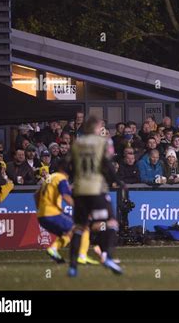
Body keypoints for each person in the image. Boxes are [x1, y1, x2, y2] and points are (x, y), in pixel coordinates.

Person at [69, 115, 124, 277]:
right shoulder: (103, 142)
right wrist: (117, 181)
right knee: (111, 223)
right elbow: (107, 164)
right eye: (101, 126)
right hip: (96, 189)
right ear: (96, 127)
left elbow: (69, 166)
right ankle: (107, 255)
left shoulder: (77, 144)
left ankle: (72, 266)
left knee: (80, 227)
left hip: (79, 190)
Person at [34, 159, 98, 265]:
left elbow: (36, 194)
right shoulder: (61, 178)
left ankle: (53, 250)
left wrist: (42, 208)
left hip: (41, 216)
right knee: (84, 226)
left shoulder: (50, 178)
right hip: (52, 214)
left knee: (69, 233)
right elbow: (66, 196)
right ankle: (82, 256)